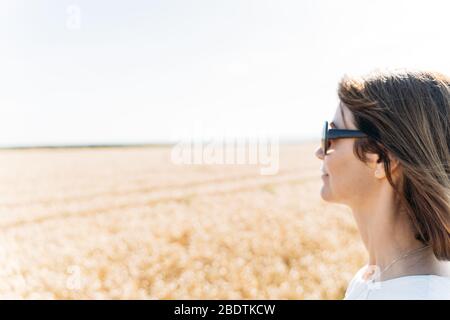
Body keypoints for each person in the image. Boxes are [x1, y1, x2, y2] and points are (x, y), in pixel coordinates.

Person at [315, 69, 450, 299]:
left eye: (331, 135)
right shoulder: (370, 280)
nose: (320, 151)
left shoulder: (422, 294)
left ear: (381, 157)